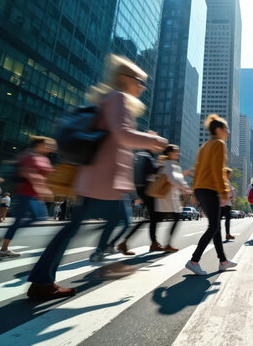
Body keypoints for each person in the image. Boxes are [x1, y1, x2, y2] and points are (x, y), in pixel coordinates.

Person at [26, 54, 167, 299]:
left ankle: (43, 280)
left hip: (99, 180)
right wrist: (153, 140)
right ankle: (98, 263)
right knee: (117, 221)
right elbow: (122, 135)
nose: (142, 87)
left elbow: (116, 136)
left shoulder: (110, 99)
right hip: (103, 181)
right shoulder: (118, 98)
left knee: (76, 229)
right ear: (124, 78)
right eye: (139, 81)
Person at [185, 114, 238, 276]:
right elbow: (218, 170)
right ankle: (194, 261)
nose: (228, 132)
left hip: (201, 189)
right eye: (226, 129)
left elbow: (197, 169)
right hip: (210, 189)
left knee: (215, 227)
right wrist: (224, 192)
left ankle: (223, 261)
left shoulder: (205, 146)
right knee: (214, 227)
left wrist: (194, 191)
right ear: (218, 130)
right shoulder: (219, 145)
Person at [107, 146, 160, 255]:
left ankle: (152, 243)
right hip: (147, 189)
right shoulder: (148, 156)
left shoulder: (139, 155)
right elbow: (153, 171)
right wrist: (160, 164)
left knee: (151, 217)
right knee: (152, 217)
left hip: (139, 189)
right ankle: (126, 243)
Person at [155, 145, 191, 252]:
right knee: (156, 219)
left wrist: (185, 188)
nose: (178, 153)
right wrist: (184, 187)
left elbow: (179, 179)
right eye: (176, 151)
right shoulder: (166, 164)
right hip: (166, 198)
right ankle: (165, 244)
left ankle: (167, 244)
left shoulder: (175, 165)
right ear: (170, 153)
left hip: (172, 198)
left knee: (171, 219)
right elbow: (172, 179)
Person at [221, 168, 236, 241]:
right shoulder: (226, 181)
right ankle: (227, 234)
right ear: (227, 173)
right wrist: (232, 194)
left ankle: (227, 234)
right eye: (230, 173)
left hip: (223, 203)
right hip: (226, 203)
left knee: (221, 219)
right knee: (227, 219)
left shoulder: (223, 180)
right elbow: (228, 192)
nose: (231, 175)